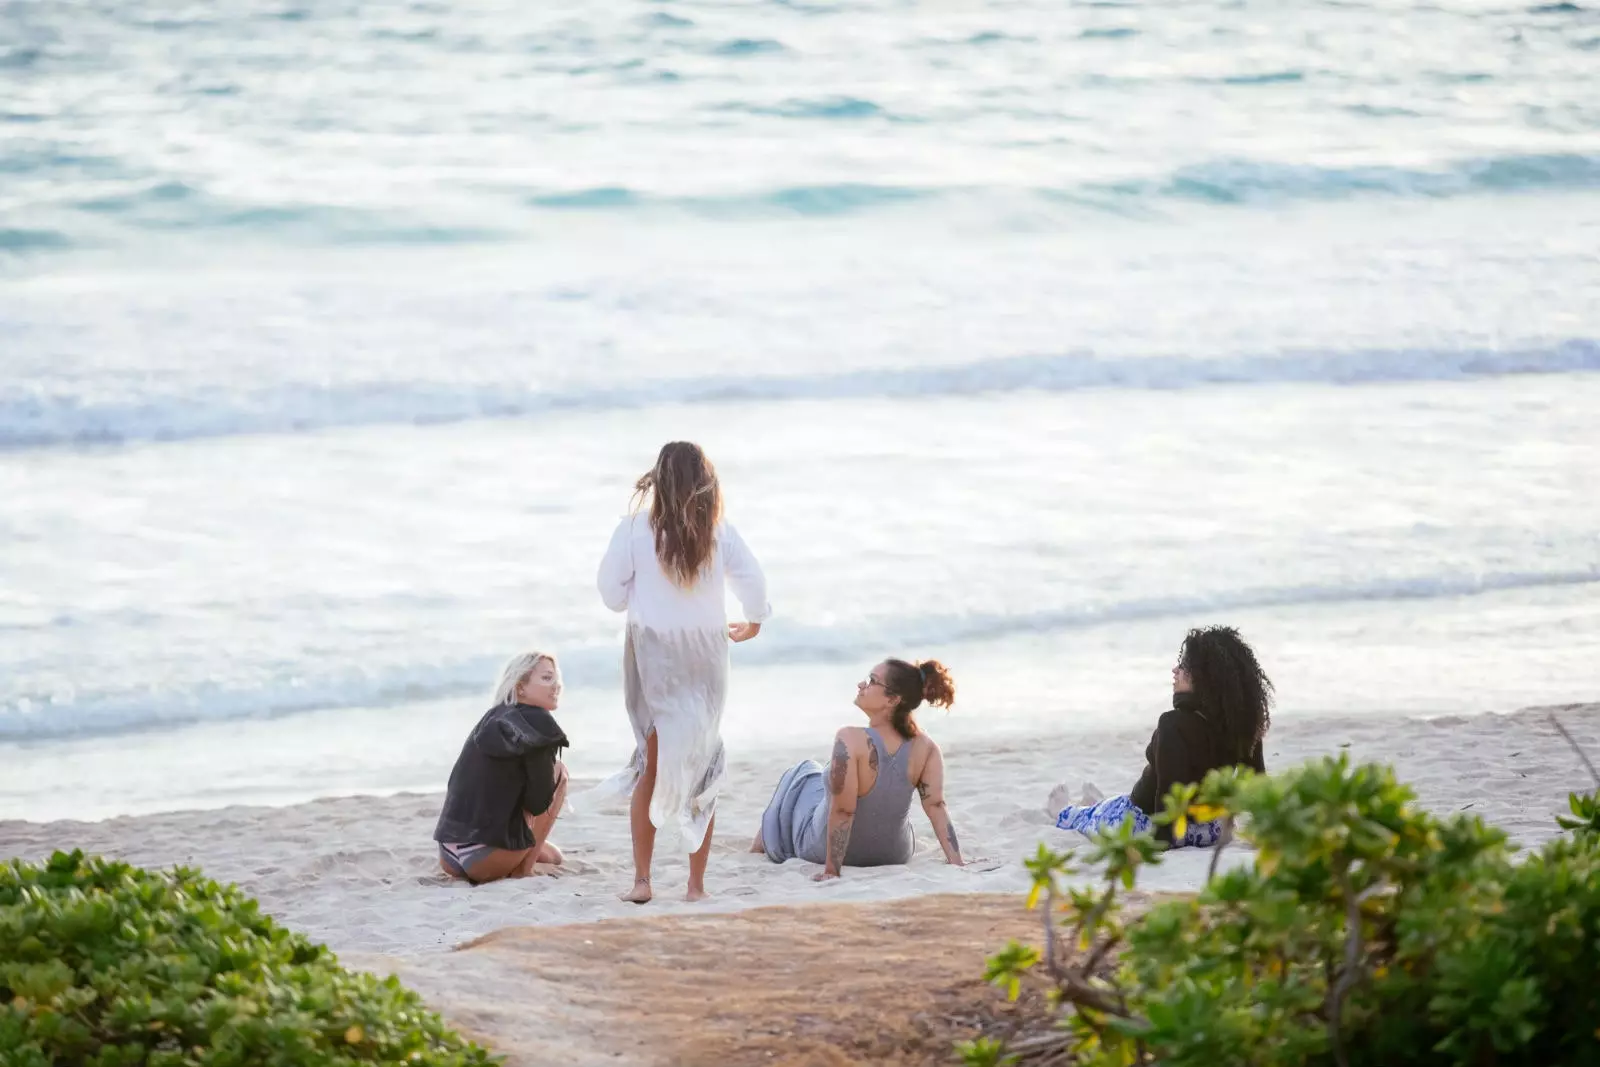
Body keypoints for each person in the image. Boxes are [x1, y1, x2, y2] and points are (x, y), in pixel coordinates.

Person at [593, 442, 770, 903]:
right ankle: (695, 887)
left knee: (651, 761)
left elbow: (611, 594)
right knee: (701, 763)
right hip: (706, 657)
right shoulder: (719, 532)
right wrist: (754, 619)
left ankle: (642, 882)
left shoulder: (633, 531)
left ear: (657, 479)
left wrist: (634, 590)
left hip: (654, 654)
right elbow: (753, 580)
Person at [1054, 625, 1271, 848]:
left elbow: (1168, 793)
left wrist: (1163, 843)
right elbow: (1257, 786)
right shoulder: (1241, 726)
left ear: (1204, 678)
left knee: (1077, 817)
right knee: (1102, 806)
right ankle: (1092, 802)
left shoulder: (1173, 724)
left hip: (1148, 824)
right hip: (1208, 831)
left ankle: (1066, 808)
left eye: (1184, 665)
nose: (1175, 670)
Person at [753, 658, 967, 879]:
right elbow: (936, 806)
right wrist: (957, 862)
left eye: (872, 681)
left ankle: (758, 848)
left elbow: (843, 811)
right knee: (815, 778)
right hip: (895, 853)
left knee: (801, 772)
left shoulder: (850, 738)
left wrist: (832, 871)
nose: (861, 685)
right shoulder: (927, 747)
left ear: (893, 699)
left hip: (826, 851)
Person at [433, 652, 570, 884]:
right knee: (560, 772)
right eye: (547, 678)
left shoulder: (493, 717)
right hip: (482, 857)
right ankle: (523, 870)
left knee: (554, 857)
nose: (556, 685)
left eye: (557, 678)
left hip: (449, 854)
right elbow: (538, 804)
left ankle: (514, 857)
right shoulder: (539, 722)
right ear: (520, 687)